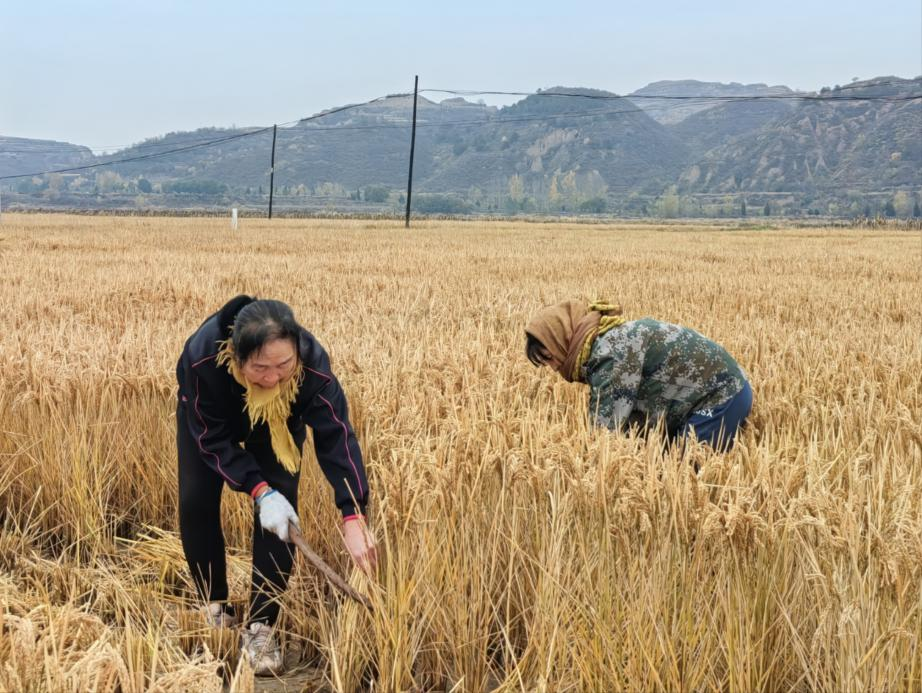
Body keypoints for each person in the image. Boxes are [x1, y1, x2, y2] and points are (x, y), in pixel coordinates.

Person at [175, 295, 375, 676]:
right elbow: (212, 440)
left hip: (278, 424)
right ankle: (215, 605)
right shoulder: (202, 359)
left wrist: (353, 513)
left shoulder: (311, 366)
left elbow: (336, 435)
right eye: (260, 367)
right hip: (212, 424)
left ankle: (262, 624)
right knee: (196, 500)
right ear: (235, 358)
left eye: (284, 364)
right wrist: (258, 489)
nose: (273, 377)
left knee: (283, 515)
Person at [525, 300, 753, 451]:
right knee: (662, 462)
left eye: (549, 357)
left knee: (685, 477)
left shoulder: (610, 353)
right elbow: (635, 421)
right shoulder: (603, 343)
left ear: (560, 340)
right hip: (712, 393)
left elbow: (605, 433)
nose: (553, 367)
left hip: (722, 396)